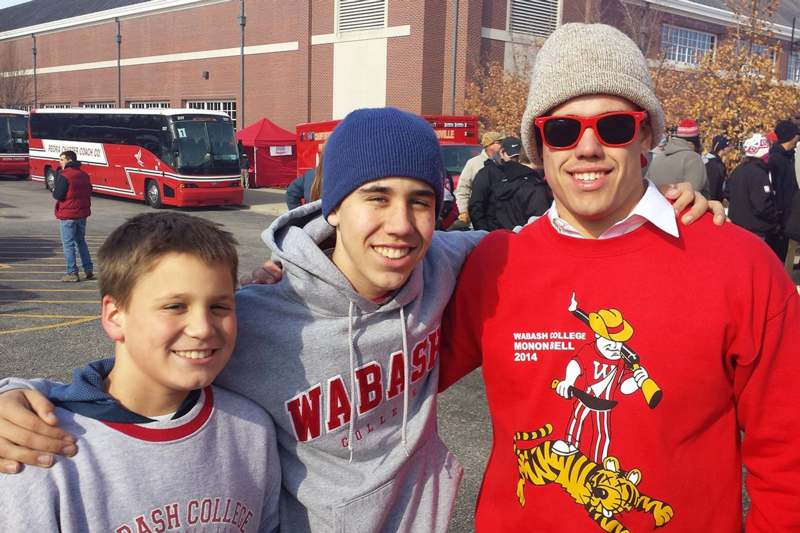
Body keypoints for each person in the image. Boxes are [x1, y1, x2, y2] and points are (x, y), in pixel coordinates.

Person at [0, 109, 720, 531]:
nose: (401, 225)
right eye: (376, 197)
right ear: (334, 204)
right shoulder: (248, 315)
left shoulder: (442, 262)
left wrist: (662, 207)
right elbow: (141, 371)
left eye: (420, 200)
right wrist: (15, 392)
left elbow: (557, 234)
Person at [439, 23, 800, 533]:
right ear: (539, 146)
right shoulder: (495, 264)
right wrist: (309, 259)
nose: (587, 148)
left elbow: (789, 464)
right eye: (562, 130)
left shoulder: (740, 266)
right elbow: (395, 373)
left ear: (647, 132)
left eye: (613, 127)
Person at [0, 212, 281, 532]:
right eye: (175, 306)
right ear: (115, 316)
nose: (203, 328)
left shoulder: (253, 431)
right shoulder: (38, 448)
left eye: (219, 307)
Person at [469, 137, 551, 231]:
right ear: (502, 153)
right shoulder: (486, 174)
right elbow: (476, 205)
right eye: (512, 157)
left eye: (517, 157)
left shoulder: (530, 178)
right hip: (495, 233)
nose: (514, 161)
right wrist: (484, 233)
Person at [727, 133, 782, 247]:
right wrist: (776, 218)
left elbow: (727, 192)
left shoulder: (739, 170)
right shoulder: (758, 174)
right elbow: (762, 206)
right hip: (756, 229)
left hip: (737, 226)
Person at [53, 150, 94, 282]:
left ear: (68, 160)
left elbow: (58, 195)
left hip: (68, 214)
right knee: (81, 241)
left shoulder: (64, 175)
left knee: (68, 243)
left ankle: (72, 272)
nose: (60, 162)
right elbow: (89, 190)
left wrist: (55, 188)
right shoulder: (84, 174)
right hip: (82, 214)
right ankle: (88, 270)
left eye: (61, 159)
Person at [647, 118, 708, 196]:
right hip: (679, 206)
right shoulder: (693, 159)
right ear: (694, 142)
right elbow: (692, 195)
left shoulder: (657, 158)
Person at [453, 130, 503, 224]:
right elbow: (463, 188)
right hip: (479, 216)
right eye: (499, 142)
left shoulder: (501, 162)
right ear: (489, 145)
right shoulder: (473, 163)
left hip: (498, 216)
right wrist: (464, 211)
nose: (502, 145)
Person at [768, 120, 800, 262]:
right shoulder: (775, 159)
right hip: (780, 217)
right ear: (792, 137)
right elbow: (776, 189)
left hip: (789, 215)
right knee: (777, 256)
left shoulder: (790, 156)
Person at [285, 145, 324, 210]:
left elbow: (291, 192)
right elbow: (291, 193)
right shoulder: (311, 174)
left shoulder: (310, 173)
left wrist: (300, 215)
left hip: (312, 217)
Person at [704, 134, 731, 202]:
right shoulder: (714, 165)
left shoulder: (709, 159)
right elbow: (713, 187)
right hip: (711, 201)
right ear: (723, 148)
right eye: (728, 146)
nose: (730, 148)